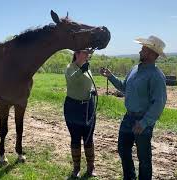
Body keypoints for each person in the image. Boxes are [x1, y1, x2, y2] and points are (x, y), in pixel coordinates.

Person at [100, 35, 167, 180]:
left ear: (151, 54)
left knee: (144, 158)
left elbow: (159, 103)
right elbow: (124, 88)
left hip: (142, 121)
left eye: (143, 49)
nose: (139, 52)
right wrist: (110, 76)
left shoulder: (156, 76)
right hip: (128, 118)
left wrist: (144, 123)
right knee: (123, 150)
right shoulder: (134, 69)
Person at [64, 49, 97, 178]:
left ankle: (91, 168)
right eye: (84, 52)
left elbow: (88, 83)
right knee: (75, 138)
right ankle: (76, 168)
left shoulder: (87, 67)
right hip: (73, 107)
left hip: (88, 107)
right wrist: (82, 69)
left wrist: (92, 90)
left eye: (88, 53)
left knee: (89, 138)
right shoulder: (70, 68)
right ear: (77, 54)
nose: (87, 55)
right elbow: (72, 80)